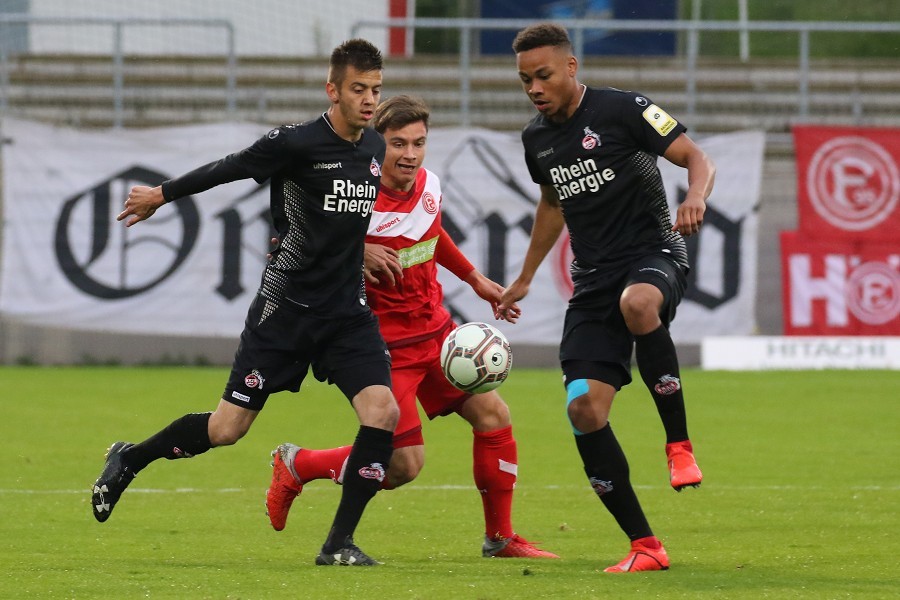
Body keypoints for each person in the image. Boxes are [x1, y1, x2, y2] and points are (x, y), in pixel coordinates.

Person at [90, 39, 399, 567]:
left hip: (347, 314)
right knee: (226, 430)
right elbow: (230, 167)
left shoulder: (373, 149)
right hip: (285, 313)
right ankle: (131, 458)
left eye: (375, 89)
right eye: (358, 89)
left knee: (383, 412)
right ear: (333, 90)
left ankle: (337, 544)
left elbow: (343, 217)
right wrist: (161, 195)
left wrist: (361, 247)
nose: (369, 99)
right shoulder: (296, 142)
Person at [264, 95, 559, 559]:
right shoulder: (352, 197)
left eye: (419, 143)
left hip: (437, 333)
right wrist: (357, 253)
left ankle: (500, 538)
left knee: (494, 416)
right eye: (398, 143)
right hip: (385, 346)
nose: (409, 154)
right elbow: (304, 246)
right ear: (376, 144)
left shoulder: (427, 184)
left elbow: (431, 234)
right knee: (402, 466)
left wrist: (476, 279)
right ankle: (299, 464)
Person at [498, 23, 716, 573]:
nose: (534, 88)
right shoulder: (537, 140)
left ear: (571, 67)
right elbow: (553, 204)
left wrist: (694, 196)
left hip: (654, 254)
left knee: (639, 304)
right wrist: (524, 277)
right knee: (583, 408)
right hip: (593, 283)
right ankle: (646, 545)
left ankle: (679, 446)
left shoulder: (624, 109)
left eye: (543, 75)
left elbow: (697, 157)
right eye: (525, 80)